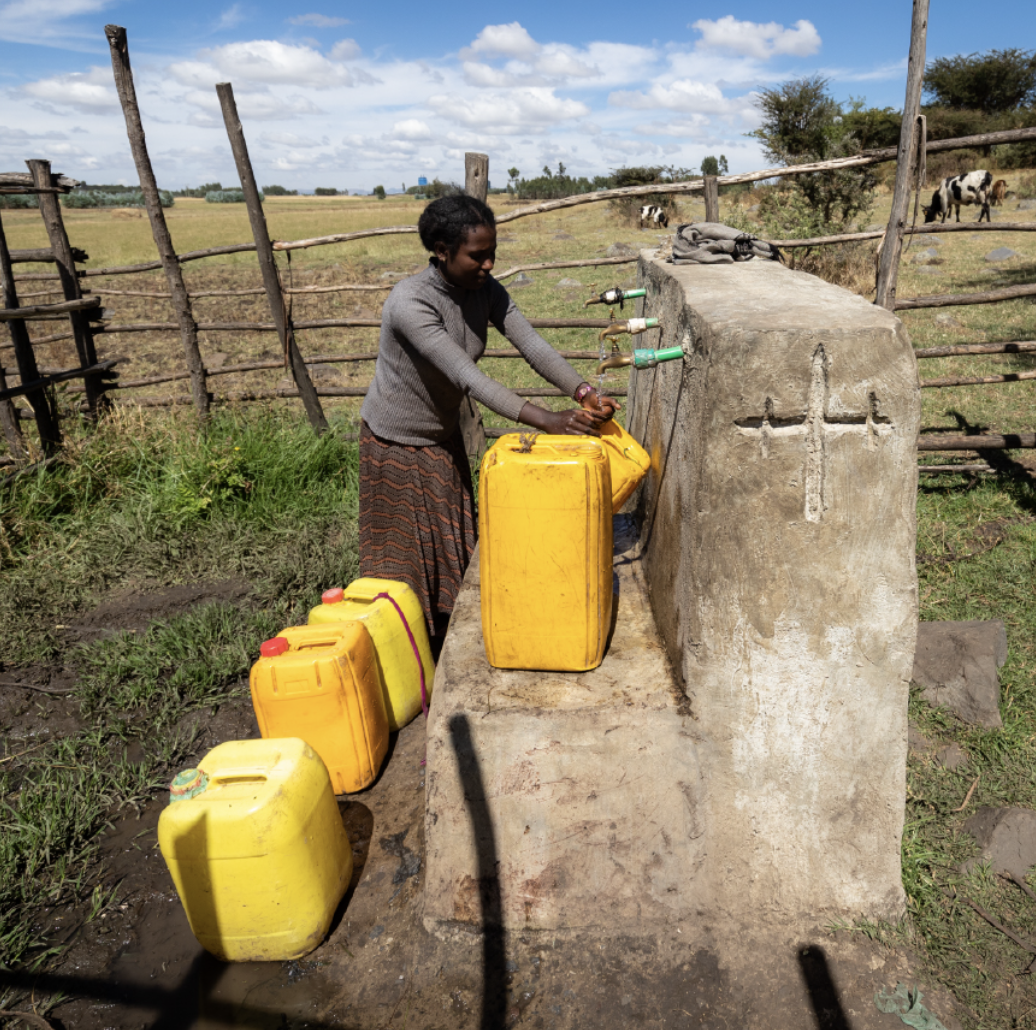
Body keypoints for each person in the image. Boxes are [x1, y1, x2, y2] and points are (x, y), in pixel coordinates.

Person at [358, 193, 619, 646]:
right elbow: (468, 376)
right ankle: (407, 648)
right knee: (406, 565)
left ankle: (447, 639)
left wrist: (584, 392)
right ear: (442, 251)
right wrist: (546, 420)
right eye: (477, 255)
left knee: (453, 547)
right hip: (395, 444)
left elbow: (532, 346)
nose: (489, 264)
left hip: (441, 437)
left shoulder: (486, 290)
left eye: (492, 252)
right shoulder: (410, 303)